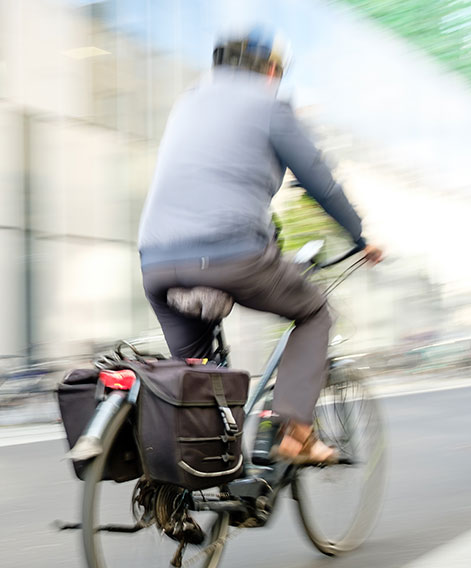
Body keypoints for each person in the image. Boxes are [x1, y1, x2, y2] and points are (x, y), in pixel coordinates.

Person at [137, 27, 383, 465]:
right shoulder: (270, 104)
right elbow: (320, 182)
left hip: (156, 261)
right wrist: (361, 236)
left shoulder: (187, 104)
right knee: (312, 313)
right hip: (230, 255)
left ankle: (200, 484)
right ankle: (295, 432)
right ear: (271, 71)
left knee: (199, 381)